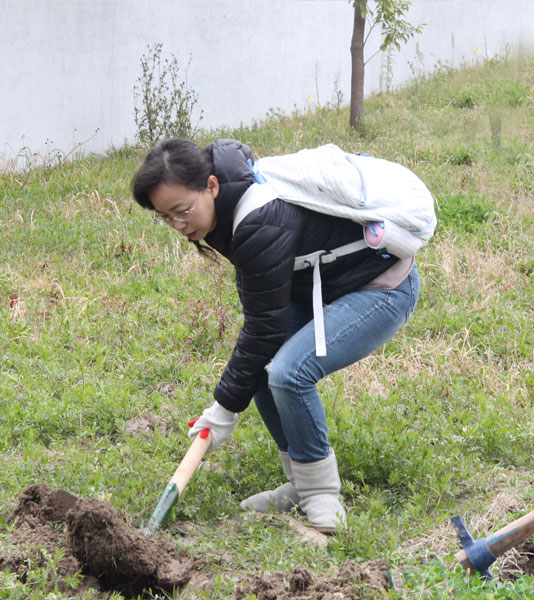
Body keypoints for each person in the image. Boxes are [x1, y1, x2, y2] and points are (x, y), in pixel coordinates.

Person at [129, 138, 422, 533]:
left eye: (182, 211)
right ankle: (301, 485)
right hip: (322, 285)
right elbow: (261, 328)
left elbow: (264, 328)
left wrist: (223, 408)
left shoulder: (258, 219)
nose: (179, 226)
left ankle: (320, 493)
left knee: (288, 372)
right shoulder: (224, 209)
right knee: (262, 368)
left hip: (380, 285)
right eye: (166, 217)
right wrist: (229, 399)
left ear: (212, 186)